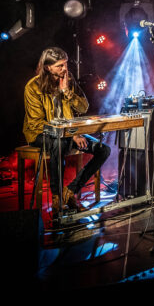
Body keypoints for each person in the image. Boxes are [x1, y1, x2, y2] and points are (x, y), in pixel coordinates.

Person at [23, 47, 111, 216]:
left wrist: (67, 92)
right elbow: (36, 123)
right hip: (39, 134)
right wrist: (71, 133)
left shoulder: (67, 79)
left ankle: (70, 191)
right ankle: (57, 199)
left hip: (68, 133)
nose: (65, 69)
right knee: (60, 142)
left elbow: (83, 107)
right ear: (48, 67)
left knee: (103, 150)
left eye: (65, 64)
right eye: (60, 66)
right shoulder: (32, 87)